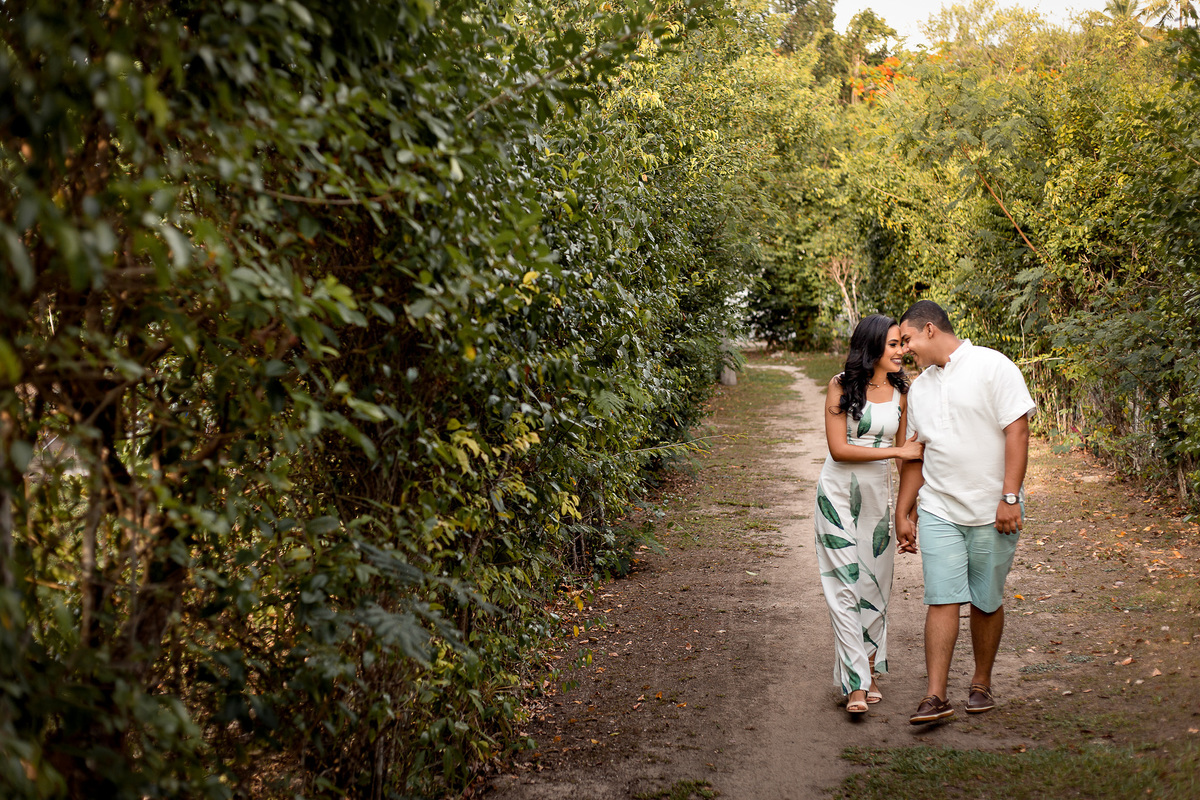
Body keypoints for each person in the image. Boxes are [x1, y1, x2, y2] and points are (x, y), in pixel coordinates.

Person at [893, 300, 1036, 725]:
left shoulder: (994, 366)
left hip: (993, 509)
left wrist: (1009, 497)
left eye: (908, 339)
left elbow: (1018, 430)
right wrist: (905, 510)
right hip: (940, 508)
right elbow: (916, 455)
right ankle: (935, 695)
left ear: (930, 329)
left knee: (986, 601)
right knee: (941, 598)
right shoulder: (920, 389)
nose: (904, 349)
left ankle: (981, 683)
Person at [815, 314, 924, 716]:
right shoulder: (841, 385)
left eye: (902, 344)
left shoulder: (903, 393)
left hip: (877, 498)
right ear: (873, 346)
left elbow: (908, 462)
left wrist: (907, 513)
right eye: (894, 344)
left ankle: (870, 669)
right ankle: (856, 683)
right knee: (844, 587)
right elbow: (839, 449)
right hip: (837, 494)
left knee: (875, 587)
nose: (901, 351)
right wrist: (897, 450)